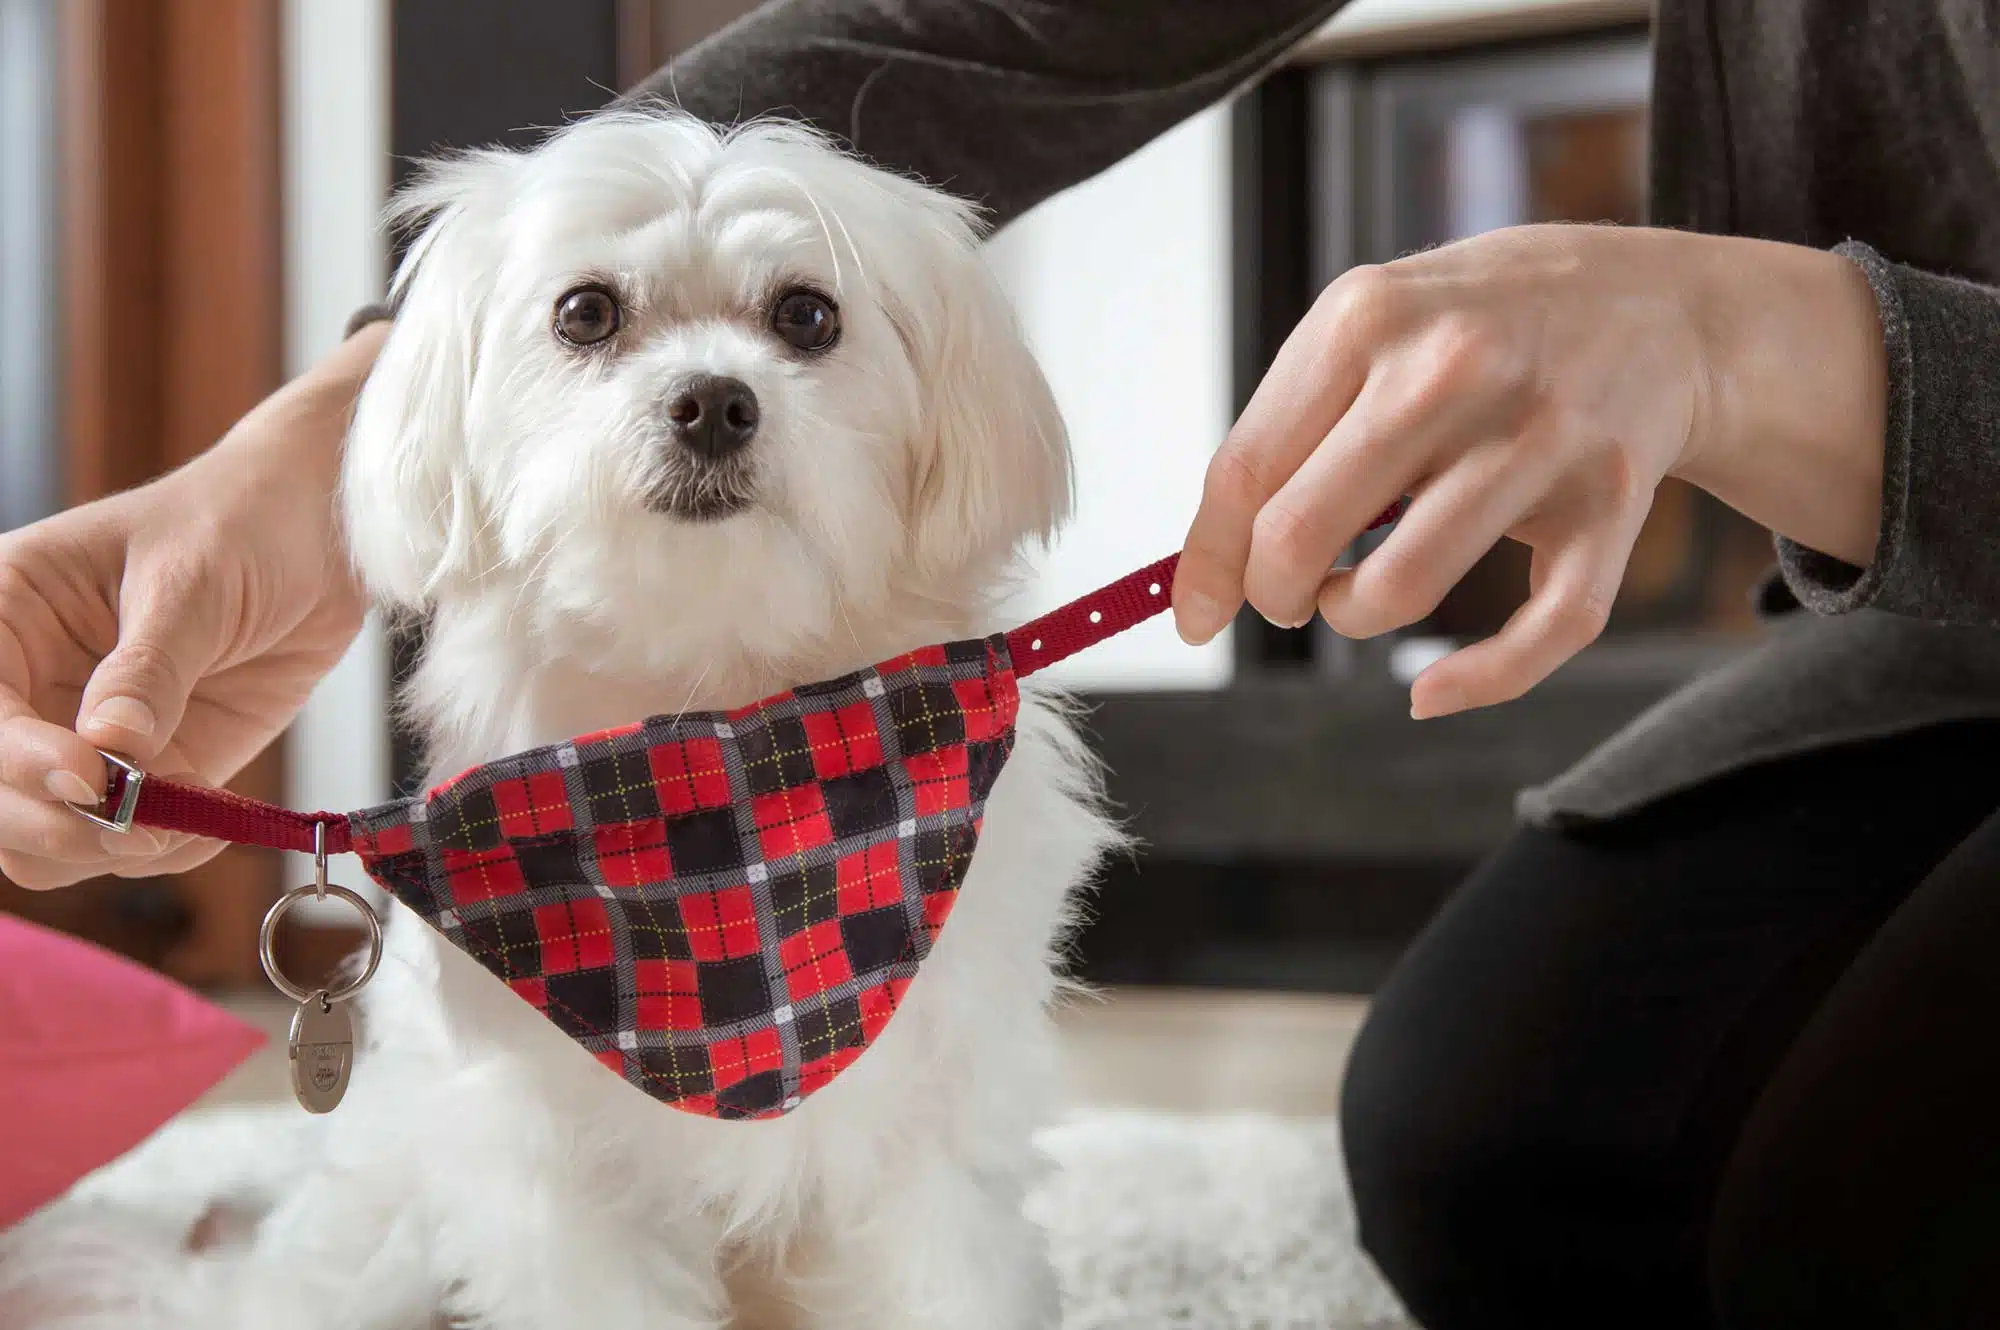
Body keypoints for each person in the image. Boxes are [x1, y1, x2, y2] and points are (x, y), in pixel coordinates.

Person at [1, 2, 1995, 1324]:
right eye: (597, 322)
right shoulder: (487, 800)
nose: (707, 391)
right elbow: (991, 20)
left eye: (798, 320)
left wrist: (1775, 353)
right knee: (1510, 1164)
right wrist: (316, 432)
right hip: (1936, 643)